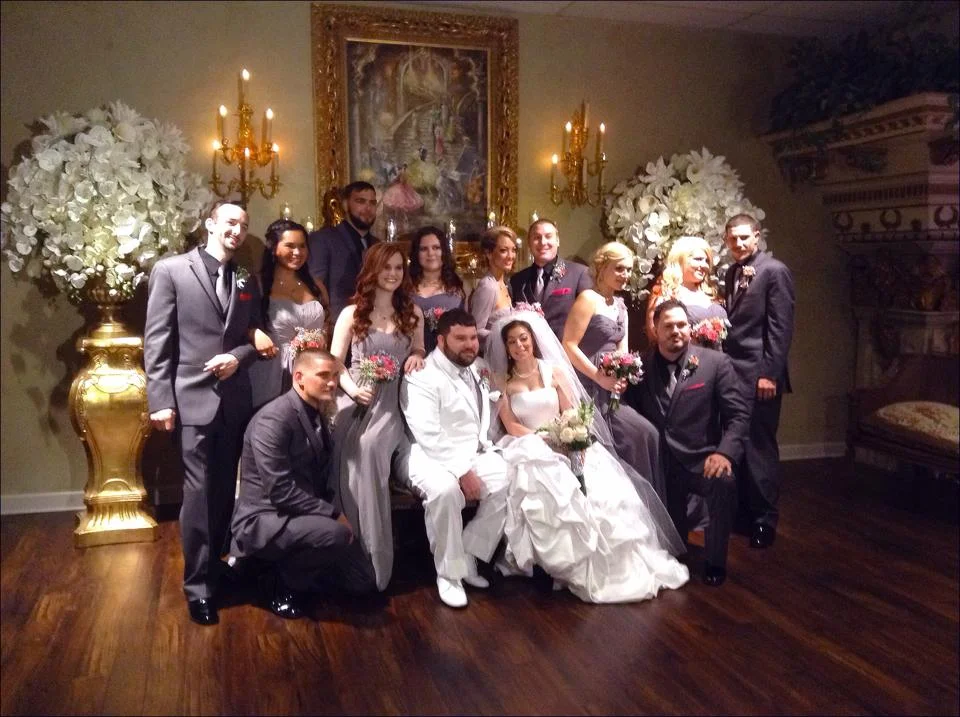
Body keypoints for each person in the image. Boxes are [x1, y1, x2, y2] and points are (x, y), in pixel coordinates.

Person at [487, 310, 690, 602]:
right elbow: (510, 424)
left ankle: (610, 559)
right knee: (541, 480)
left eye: (524, 339)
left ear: (533, 340)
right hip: (526, 442)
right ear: (505, 348)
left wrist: (565, 435)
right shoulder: (501, 380)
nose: (520, 346)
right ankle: (550, 563)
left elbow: (569, 411)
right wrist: (540, 440)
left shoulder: (553, 371)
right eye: (512, 342)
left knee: (600, 488)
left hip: (562, 438)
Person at [144, 200, 267, 626]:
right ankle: (197, 588)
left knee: (221, 494)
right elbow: (157, 341)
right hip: (191, 399)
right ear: (211, 223)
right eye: (231, 221)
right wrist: (160, 399)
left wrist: (238, 357)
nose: (238, 229)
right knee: (197, 494)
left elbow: (256, 340)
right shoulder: (172, 270)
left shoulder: (247, 277)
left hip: (235, 401)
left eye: (244, 224)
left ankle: (216, 568)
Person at [230, 347, 376, 619]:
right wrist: (333, 514)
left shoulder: (315, 410)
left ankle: (277, 570)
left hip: (300, 515)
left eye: (334, 375)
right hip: (265, 518)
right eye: (323, 375)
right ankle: (283, 585)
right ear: (299, 378)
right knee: (337, 535)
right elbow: (281, 491)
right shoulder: (273, 419)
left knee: (362, 581)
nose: (332, 383)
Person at [627, 299, 751, 586]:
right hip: (661, 465)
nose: (676, 331)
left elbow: (739, 416)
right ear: (655, 330)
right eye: (668, 326)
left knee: (724, 482)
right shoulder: (638, 367)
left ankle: (715, 562)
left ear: (690, 328)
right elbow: (629, 414)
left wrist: (725, 454)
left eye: (681, 324)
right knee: (673, 550)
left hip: (702, 461)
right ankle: (671, 554)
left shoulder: (715, 363)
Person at [329, 243, 426, 591]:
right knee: (354, 449)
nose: (393, 274)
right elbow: (334, 363)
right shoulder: (351, 314)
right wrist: (352, 390)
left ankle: (376, 560)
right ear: (373, 270)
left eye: (399, 268)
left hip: (395, 403)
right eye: (387, 267)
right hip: (358, 397)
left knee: (371, 446)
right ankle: (353, 552)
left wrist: (416, 354)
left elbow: (419, 348)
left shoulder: (412, 313)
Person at [400, 309, 510, 609]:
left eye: (473, 337)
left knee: (508, 478)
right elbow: (428, 434)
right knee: (446, 492)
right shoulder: (421, 374)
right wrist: (463, 471)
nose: (469, 345)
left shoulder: (477, 367)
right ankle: (448, 575)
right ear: (441, 340)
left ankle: (469, 555)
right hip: (427, 455)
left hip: (471, 452)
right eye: (460, 338)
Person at [562, 242, 665, 502]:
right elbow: (569, 345)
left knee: (647, 434)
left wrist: (622, 377)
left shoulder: (620, 305)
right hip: (586, 385)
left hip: (612, 389)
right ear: (602, 267)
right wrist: (597, 376)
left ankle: (644, 505)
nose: (624, 275)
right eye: (618, 268)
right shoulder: (587, 299)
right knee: (612, 444)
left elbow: (624, 351)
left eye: (628, 270)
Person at [723, 214, 795, 549]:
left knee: (759, 447)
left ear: (757, 236)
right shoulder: (732, 272)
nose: (738, 243)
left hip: (759, 375)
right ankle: (742, 513)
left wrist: (769, 374)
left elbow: (780, 329)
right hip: (732, 373)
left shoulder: (774, 271)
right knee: (736, 443)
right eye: (732, 238)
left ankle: (765, 519)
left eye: (743, 237)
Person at [249, 219, 331, 410]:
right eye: (290, 246)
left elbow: (328, 324)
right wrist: (253, 333)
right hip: (272, 370)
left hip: (311, 371)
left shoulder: (316, 285)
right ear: (273, 248)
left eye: (302, 246)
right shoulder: (258, 284)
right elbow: (242, 324)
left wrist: (321, 338)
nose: (297, 252)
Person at [307, 181, 380, 323]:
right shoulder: (323, 239)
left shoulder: (378, 245)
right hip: (335, 327)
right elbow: (314, 288)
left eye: (372, 203)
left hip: (374, 327)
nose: (368, 208)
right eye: (361, 201)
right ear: (346, 205)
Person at [510, 218, 592, 339]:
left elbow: (590, 320)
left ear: (557, 241)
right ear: (529, 243)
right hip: (528, 354)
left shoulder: (580, 273)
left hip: (565, 352)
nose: (543, 242)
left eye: (548, 236)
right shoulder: (517, 280)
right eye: (536, 237)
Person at [645, 235, 728, 348]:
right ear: (680, 260)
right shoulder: (666, 293)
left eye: (707, 261)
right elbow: (655, 335)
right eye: (698, 259)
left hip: (717, 360)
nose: (704, 265)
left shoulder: (712, 293)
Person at [409, 225, 466, 354]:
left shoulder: (457, 290)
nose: (430, 253)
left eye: (436, 248)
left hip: (448, 358)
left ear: (444, 252)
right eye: (424, 249)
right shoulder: (405, 288)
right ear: (416, 254)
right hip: (412, 359)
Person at [468, 225, 516, 348]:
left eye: (513, 250)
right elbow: (476, 331)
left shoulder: (505, 284)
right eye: (503, 250)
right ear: (489, 253)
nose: (510, 256)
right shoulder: (488, 287)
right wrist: (508, 338)